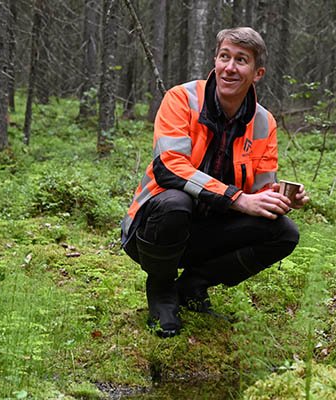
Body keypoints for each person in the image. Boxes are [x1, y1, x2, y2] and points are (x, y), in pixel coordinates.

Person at [121, 27, 310, 338]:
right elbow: (169, 167)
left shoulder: (264, 122)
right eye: (225, 57)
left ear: (257, 72)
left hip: (208, 231)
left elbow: (260, 192)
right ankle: (162, 289)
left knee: (283, 232)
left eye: (241, 60)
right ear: (215, 60)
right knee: (175, 203)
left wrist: (281, 198)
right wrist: (237, 199)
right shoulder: (182, 99)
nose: (230, 68)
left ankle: (193, 285)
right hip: (152, 231)